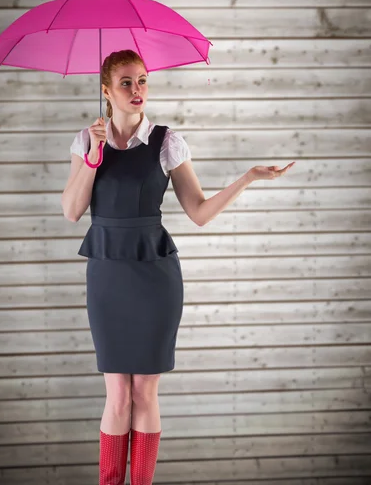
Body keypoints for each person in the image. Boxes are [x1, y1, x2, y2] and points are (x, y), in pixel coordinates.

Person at [61, 49, 295, 484]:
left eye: (143, 81)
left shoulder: (167, 141)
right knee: (116, 393)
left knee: (144, 391)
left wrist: (246, 178)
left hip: (155, 276)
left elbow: (199, 212)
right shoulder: (85, 140)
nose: (137, 90)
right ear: (106, 91)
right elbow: (72, 211)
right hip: (107, 274)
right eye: (127, 82)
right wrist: (93, 156)